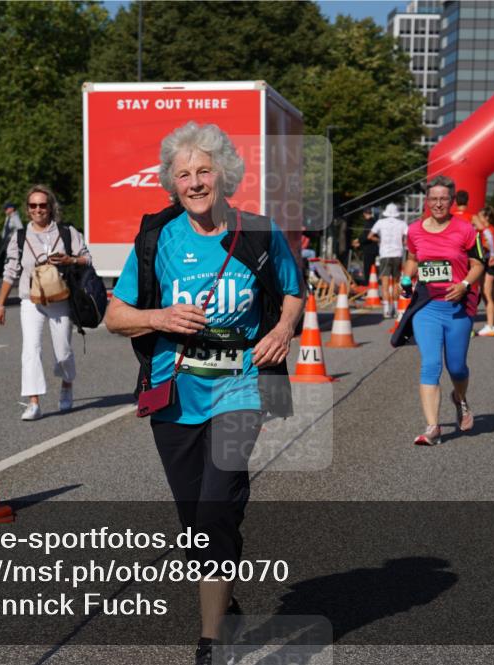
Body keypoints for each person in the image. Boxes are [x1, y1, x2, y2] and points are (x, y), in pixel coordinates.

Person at [105, 121, 303, 665]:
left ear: (224, 175)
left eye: (204, 171)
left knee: (217, 505)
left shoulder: (258, 233)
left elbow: (292, 291)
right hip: (173, 393)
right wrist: (158, 315)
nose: (194, 182)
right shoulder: (157, 238)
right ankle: (229, 605)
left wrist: (283, 331)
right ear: (172, 181)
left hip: (240, 388)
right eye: (183, 173)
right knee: (196, 522)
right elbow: (114, 315)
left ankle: (211, 639)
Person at [0, 185, 91, 421]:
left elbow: (87, 258)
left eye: (43, 205)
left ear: (51, 207)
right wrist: (0, 303)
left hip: (61, 298)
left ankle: (67, 383)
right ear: (28, 210)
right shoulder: (19, 237)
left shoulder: (67, 233)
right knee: (31, 349)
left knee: (63, 352)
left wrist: (70, 259)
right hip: (31, 299)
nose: (38, 210)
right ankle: (33, 401)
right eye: (33, 206)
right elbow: (10, 271)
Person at [402, 176, 484, 445]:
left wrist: (463, 285)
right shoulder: (414, 230)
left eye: (443, 199)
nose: (438, 204)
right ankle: (432, 427)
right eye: (433, 199)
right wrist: (406, 278)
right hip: (427, 306)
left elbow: (479, 265)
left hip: (458, 307)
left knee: (457, 367)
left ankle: (459, 398)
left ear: (451, 201)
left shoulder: (466, 229)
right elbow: (413, 259)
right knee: (430, 364)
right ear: (427, 201)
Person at [368, 203, 409, 318]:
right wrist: (402, 242)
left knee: (385, 284)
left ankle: (386, 310)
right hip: (397, 254)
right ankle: (396, 308)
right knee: (396, 283)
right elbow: (408, 237)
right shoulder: (402, 223)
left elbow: (370, 236)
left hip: (385, 254)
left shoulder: (380, 222)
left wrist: (380, 240)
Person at [474, 206, 494, 336]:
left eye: (480, 217)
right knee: (492, 297)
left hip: (489, 263)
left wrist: (490, 254)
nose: (477, 219)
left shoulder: (488, 231)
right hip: (492, 262)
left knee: (487, 295)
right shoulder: (490, 230)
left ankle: (490, 326)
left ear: (486, 218)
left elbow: (488, 245)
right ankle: (493, 324)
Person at [0, 202, 23, 274]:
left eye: (6, 209)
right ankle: (6, 272)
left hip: (11, 241)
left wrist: (12, 235)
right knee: (4, 256)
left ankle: (12, 272)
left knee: (11, 256)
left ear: (12, 209)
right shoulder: (8, 217)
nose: (5, 210)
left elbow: (20, 228)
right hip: (5, 241)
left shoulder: (15, 217)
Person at [358, 208, 380, 283]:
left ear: (364, 214)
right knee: (372, 266)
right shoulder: (374, 221)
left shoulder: (369, 222)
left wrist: (359, 241)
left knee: (368, 267)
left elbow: (367, 236)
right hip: (373, 248)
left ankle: (368, 282)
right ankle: (371, 280)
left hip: (369, 248)